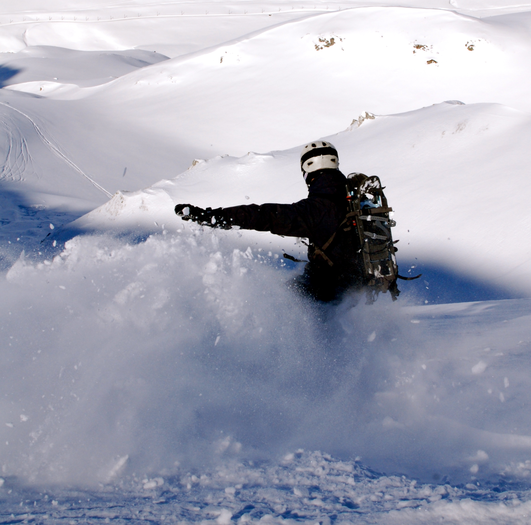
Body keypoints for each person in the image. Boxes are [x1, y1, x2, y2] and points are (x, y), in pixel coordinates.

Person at [174, 141, 362, 302]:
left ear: (307, 170)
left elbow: (263, 215)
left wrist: (212, 217)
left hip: (331, 293)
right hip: (363, 287)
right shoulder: (358, 202)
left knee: (278, 297)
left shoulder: (316, 210)